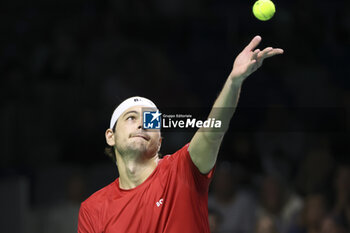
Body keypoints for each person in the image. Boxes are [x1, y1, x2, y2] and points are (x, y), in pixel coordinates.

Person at [77, 35, 283, 233]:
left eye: (151, 121)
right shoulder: (93, 208)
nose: (142, 125)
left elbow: (212, 131)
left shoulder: (182, 171)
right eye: (131, 118)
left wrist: (233, 82)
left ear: (159, 140)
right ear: (110, 136)